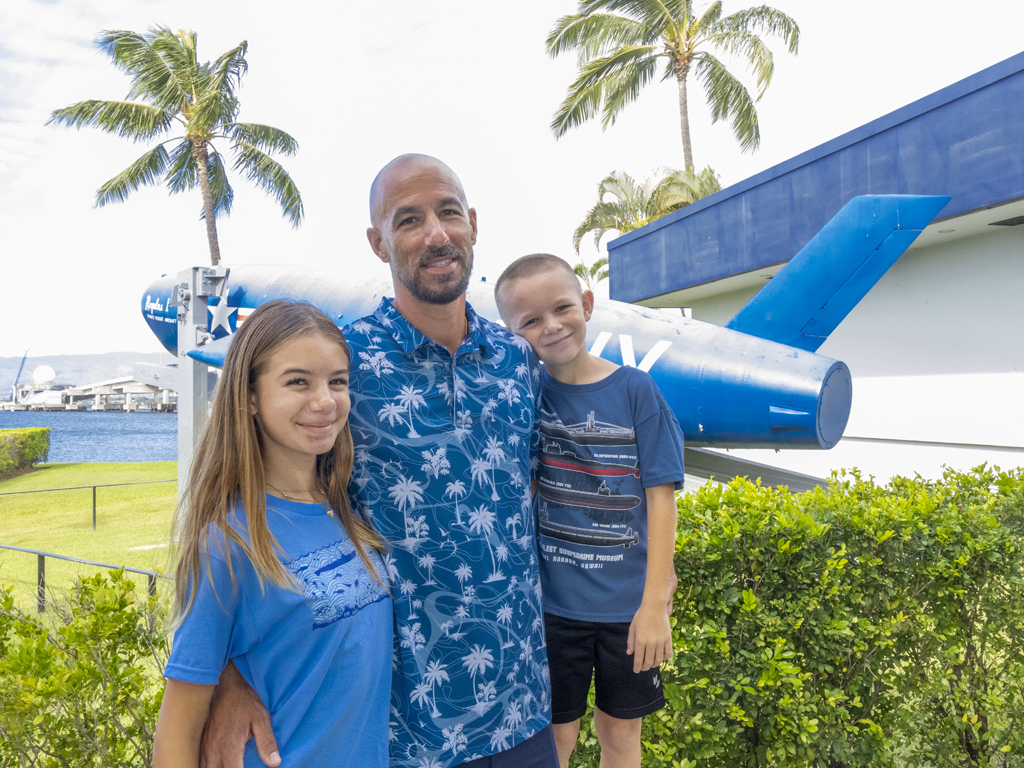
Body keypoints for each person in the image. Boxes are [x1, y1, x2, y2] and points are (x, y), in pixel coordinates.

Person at [201, 155, 558, 768]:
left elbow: (539, 495)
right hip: (401, 731)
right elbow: (256, 507)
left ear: (472, 224)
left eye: (449, 213)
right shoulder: (342, 367)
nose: (436, 234)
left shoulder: (518, 361)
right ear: (378, 242)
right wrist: (228, 669)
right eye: (409, 220)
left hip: (523, 705)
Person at [154, 300, 392, 768]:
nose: (325, 401)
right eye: (298, 381)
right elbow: (177, 730)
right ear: (249, 396)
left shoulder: (347, 511)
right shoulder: (229, 544)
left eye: (337, 381)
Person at [494, 254, 685, 768]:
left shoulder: (635, 390)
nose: (551, 326)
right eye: (530, 321)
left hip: (628, 612)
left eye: (561, 309)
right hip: (552, 611)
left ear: (586, 304)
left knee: (621, 736)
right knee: (555, 739)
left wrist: (652, 605)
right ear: (512, 334)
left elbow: (661, 497)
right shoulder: (525, 396)